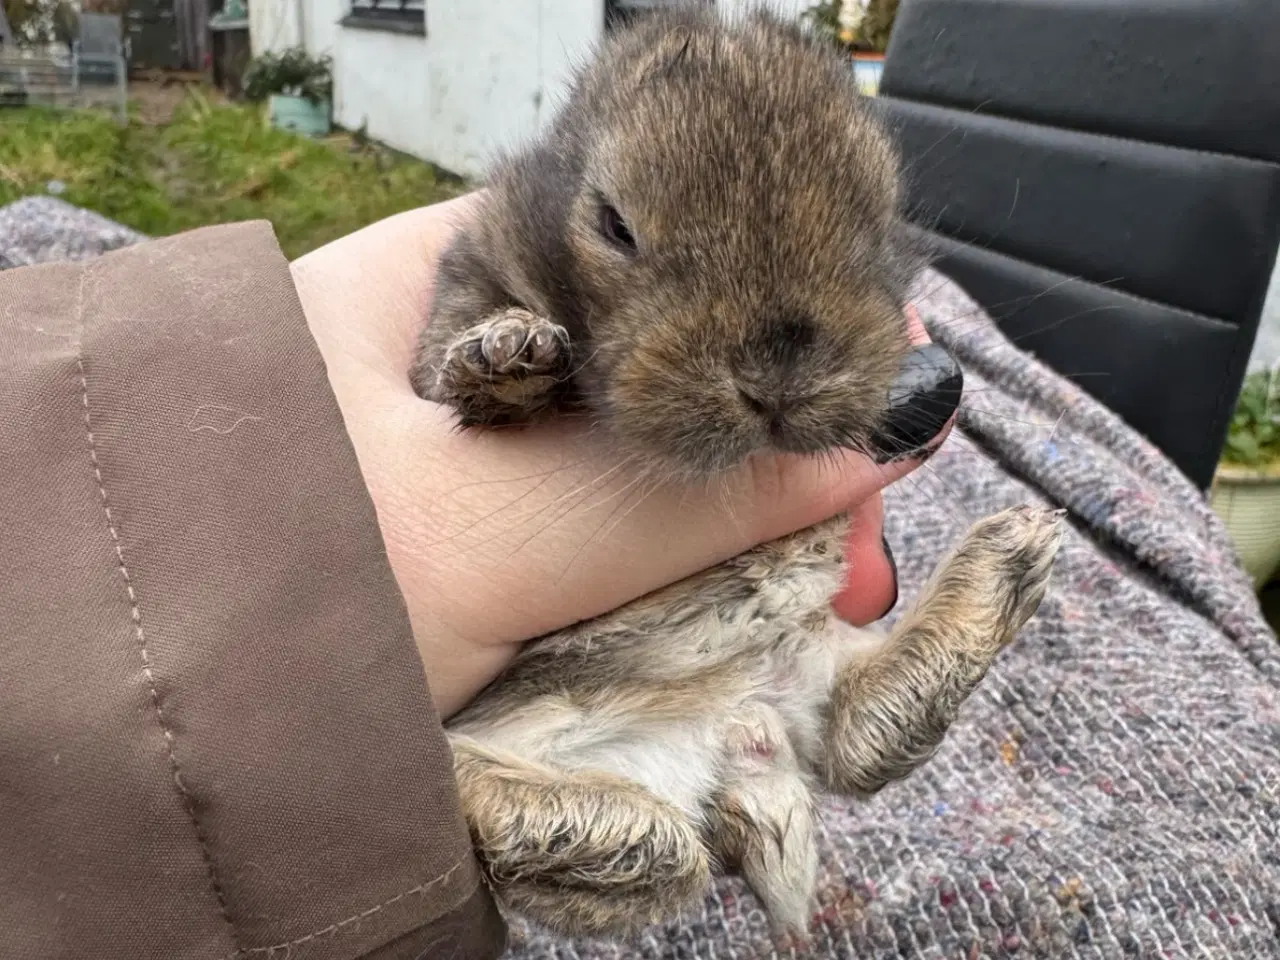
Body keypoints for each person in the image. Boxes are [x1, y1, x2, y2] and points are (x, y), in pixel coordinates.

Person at [0, 193, 955, 960]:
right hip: (575, 715)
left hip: (754, 664)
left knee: (839, 652)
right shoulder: (515, 254)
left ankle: (835, 711)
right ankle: (496, 791)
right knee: (629, 829)